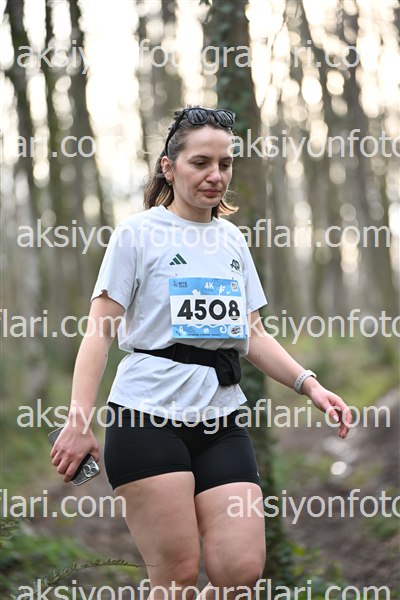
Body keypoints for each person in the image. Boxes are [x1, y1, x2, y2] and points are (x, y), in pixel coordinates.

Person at [51, 107, 351, 599]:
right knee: (176, 578)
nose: (216, 175)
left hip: (221, 420)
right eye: (201, 163)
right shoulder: (137, 234)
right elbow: (99, 333)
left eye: (225, 164)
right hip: (147, 417)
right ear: (169, 168)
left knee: (241, 570)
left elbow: (251, 334)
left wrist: (310, 385)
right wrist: (79, 420)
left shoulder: (232, 240)